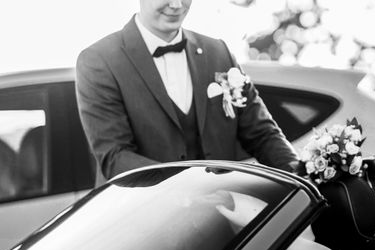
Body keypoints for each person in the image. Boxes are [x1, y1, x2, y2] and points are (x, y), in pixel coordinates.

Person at [76, 0, 298, 186]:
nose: (176, 5)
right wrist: (189, 192)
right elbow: (115, 157)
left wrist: (304, 175)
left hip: (223, 223)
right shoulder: (99, 61)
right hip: (140, 224)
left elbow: (262, 134)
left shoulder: (218, 52)